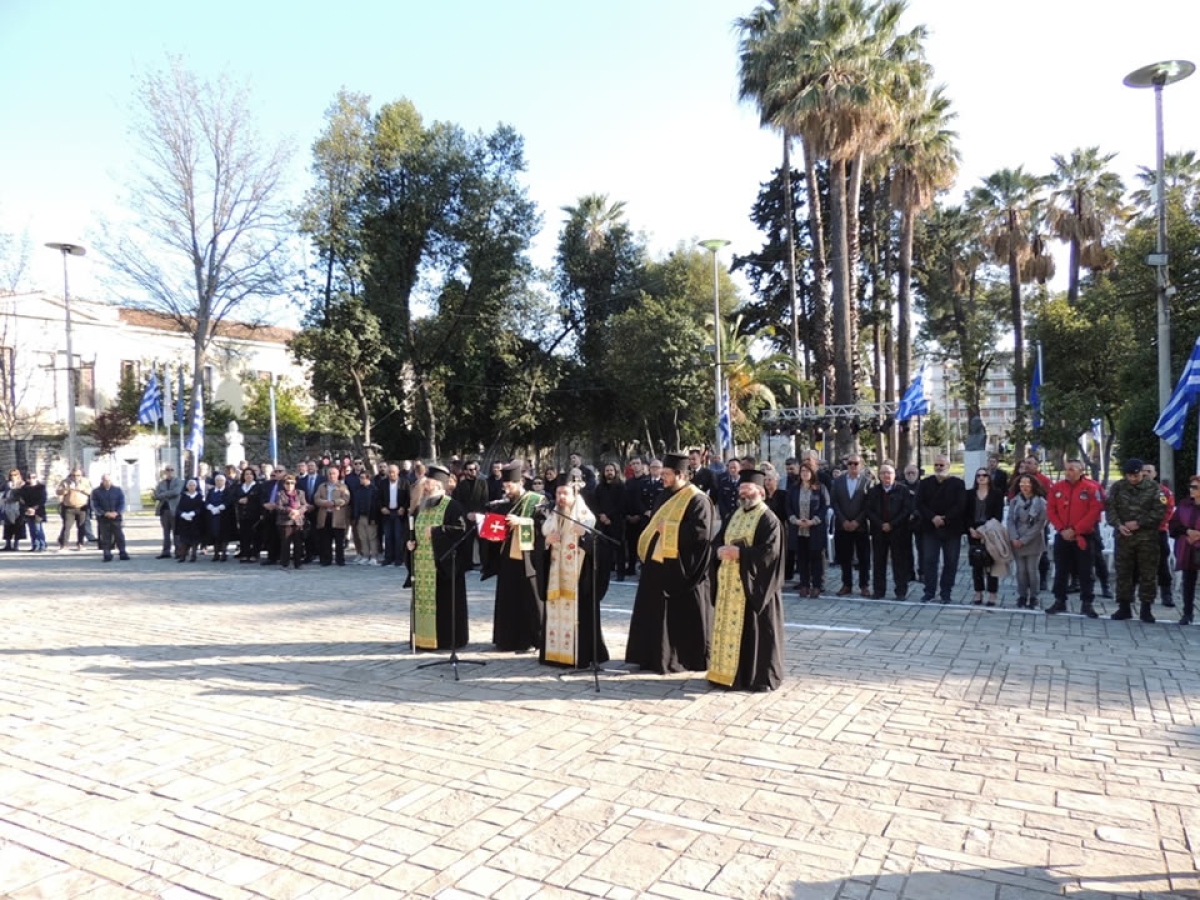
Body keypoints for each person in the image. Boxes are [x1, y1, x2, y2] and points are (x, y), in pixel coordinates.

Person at [625, 452, 714, 674]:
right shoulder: (663, 495)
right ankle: (650, 656)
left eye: (666, 474)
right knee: (653, 612)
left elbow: (701, 533)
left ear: (680, 474)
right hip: (657, 564)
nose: (662, 477)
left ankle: (678, 658)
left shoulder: (698, 499)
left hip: (681, 567)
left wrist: (670, 530)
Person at [707, 470, 785, 692]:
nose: (742, 493)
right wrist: (718, 550)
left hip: (753, 588)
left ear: (760, 492)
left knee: (754, 634)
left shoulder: (768, 518)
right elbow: (718, 540)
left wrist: (740, 554)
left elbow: (770, 552)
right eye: (740, 489)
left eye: (747, 489)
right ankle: (725, 675)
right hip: (729, 586)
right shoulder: (734, 515)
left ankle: (754, 678)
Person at [541, 477, 610, 668]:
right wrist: (547, 542)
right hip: (556, 577)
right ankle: (554, 654)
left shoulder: (586, 518)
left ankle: (580, 655)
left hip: (580, 578)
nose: (561, 497)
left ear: (575, 495)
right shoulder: (553, 516)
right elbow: (542, 543)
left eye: (565, 493)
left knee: (582, 615)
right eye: (558, 493)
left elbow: (600, 551)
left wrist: (585, 537)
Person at [482, 462, 546, 652]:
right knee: (508, 599)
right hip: (507, 558)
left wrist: (522, 522)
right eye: (504, 486)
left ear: (520, 483)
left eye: (509, 486)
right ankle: (507, 639)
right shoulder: (504, 504)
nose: (506, 490)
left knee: (529, 600)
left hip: (528, 558)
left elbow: (543, 527)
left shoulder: (536, 500)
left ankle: (532, 639)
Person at [407, 465, 470, 650]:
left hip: (442, 567)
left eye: (430, 482)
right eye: (426, 482)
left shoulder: (453, 506)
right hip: (421, 565)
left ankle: (445, 640)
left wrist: (436, 532)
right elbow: (412, 531)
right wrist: (410, 544)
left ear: (440, 485)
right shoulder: (421, 506)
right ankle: (421, 638)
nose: (425, 485)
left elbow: (461, 531)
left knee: (445, 604)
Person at [1107, 458, 1168, 622]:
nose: (1133, 478)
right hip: (1124, 537)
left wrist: (1139, 523)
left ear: (1142, 472)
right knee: (1123, 573)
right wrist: (1119, 525)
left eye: (1136, 475)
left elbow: (1160, 512)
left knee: (1148, 574)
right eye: (1130, 475)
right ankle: (1124, 607)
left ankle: (1146, 609)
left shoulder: (1154, 488)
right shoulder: (1118, 487)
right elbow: (1110, 508)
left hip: (1147, 539)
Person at [1045, 460, 1104, 617]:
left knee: (1085, 571)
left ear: (1081, 471)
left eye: (1071, 469)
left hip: (1084, 536)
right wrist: (1062, 529)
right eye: (1066, 469)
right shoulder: (1057, 488)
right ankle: (1059, 600)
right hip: (1063, 535)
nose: (1068, 472)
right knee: (1061, 570)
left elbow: (1094, 511)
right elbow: (1051, 510)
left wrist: (1076, 530)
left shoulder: (1091, 488)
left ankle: (1087, 603)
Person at [917, 455, 966, 604]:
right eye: (936, 465)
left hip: (952, 529)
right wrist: (933, 517)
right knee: (929, 560)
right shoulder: (925, 483)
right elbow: (919, 503)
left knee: (951, 561)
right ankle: (929, 591)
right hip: (931, 528)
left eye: (942, 465)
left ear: (948, 466)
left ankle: (946, 592)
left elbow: (961, 504)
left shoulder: (958, 483)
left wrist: (945, 518)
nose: (939, 468)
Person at [865, 464, 914, 600]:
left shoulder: (903, 490)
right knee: (878, 562)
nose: (886, 475)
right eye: (883, 473)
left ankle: (900, 592)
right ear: (879, 476)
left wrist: (892, 524)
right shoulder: (873, 491)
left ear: (895, 475)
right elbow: (869, 510)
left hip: (898, 531)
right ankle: (879, 591)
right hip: (879, 531)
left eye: (889, 473)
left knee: (899, 562)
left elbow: (907, 510)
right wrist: (881, 524)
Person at [830, 455, 871, 596]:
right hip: (842, 526)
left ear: (861, 465)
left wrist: (857, 521)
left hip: (860, 527)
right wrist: (843, 520)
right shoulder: (838, 481)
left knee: (863, 557)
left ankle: (864, 585)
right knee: (844, 557)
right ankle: (846, 584)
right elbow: (834, 502)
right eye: (850, 463)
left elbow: (868, 505)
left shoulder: (867, 482)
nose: (852, 466)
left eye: (856, 463)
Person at [788, 461, 829, 598]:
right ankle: (804, 585)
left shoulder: (820, 488)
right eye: (802, 471)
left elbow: (825, 507)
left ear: (812, 473)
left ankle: (817, 585)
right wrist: (795, 520)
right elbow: (788, 507)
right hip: (799, 529)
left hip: (815, 528)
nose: (804, 473)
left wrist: (813, 521)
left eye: (807, 471)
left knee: (816, 557)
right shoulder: (794, 489)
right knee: (802, 558)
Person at [1007, 473, 1048, 610]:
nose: (1024, 486)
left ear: (1033, 485)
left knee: (1032, 570)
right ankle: (1022, 596)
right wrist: (1014, 537)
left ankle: (1034, 597)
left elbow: (1040, 524)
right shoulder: (1014, 501)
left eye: (1027, 483)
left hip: (1033, 540)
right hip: (1017, 539)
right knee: (1021, 570)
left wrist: (1024, 540)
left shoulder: (1040, 502)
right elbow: (1010, 520)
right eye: (1022, 483)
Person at [966, 468, 1005, 607]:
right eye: (978, 476)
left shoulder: (997, 494)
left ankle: (992, 594)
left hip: (990, 531)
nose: (981, 478)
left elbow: (998, 516)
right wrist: (971, 529)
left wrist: (985, 532)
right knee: (976, 563)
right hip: (973, 531)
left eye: (984, 475)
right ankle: (978, 592)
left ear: (989, 478)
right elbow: (966, 514)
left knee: (991, 564)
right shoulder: (970, 494)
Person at [1140, 463, 1177, 608]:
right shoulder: (1132, 491)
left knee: (1162, 565)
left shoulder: (1164, 492)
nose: (1145, 474)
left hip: (1157, 533)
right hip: (1138, 534)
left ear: (1155, 474)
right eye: (1143, 471)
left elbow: (1168, 512)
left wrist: (1151, 525)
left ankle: (1166, 594)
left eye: (1149, 471)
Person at [1168, 475, 1200, 626]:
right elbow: (1174, 525)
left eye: (1195, 487)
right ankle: (1188, 613)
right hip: (1188, 547)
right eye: (1191, 487)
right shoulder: (1185, 504)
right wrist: (1188, 532)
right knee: (1188, 581)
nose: (1191, 490)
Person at [592, 462, 626, 581]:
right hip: (602, 522)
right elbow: (595, 503)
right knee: (604, 548)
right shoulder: (599, 487)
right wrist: (601, 515)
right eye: (607, 470)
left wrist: (609, 517)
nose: (609, 472)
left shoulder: (621, 486)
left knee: (618, 547)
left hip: (616, 521)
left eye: (611, 470)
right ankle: (606, 571)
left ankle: (620, 573)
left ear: (615, 472)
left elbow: (621, 504)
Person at [314, 465, 352, 566]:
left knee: (339, 540)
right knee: (326, 540)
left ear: (338, 475)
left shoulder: (343, 486)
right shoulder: (322, 486)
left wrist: (334, 502)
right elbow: (316, 499)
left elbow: (346, 499)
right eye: (330, 474)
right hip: (325, 515)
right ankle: (327, 560)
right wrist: (325, 503)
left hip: (338, 516)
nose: (332, 476)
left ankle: (340, 560)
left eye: (334, 474)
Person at [90, 473, 129, 562]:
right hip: (103, 518)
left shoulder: (117, 490)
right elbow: (94, 505)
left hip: (116, 517)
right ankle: (107, 554)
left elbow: (122, 503)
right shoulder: (96, 491)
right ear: (102, 481)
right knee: (105, 536)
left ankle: (122, 552)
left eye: (108, 480)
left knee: (119, 536)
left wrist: (117, 512)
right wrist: (104, 513)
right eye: (105, 480)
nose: (107, 482)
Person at [379, 464, 410, 569]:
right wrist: (382, 507)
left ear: (397, 473)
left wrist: (403, 508)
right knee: (387, 537)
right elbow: (378, 498)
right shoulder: (383, 483)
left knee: (398, 537)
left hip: (399, 513)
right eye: (390, 472)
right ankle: (388, 558)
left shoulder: (404, 482)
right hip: (387, 513)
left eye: (393, 472)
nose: (391, 474)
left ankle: (398, 558)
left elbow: (408, 497)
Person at [275, 473, 308, 570]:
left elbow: (304, 505)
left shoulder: (300, 493)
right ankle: (284, 563)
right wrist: (290, 510)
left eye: (292, 483)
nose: (289, 485)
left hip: (298, 521)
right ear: (284, 484)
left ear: (295, 483)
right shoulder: (280, 493)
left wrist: (298, 511)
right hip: (285, 522)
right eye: (287, 483)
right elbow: (279, 506)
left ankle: (298, 563)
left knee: (298, 543)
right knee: (285, 543)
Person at [350, 469, 381, 565]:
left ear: (368, 478)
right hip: (360, 517)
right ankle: (366, 556)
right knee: (362, 537)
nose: (360, 479)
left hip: (370, 517)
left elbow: (376, 506)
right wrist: (354, 517)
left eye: (362, 477)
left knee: (372, 537)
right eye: (360, 477)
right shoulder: (358, 490)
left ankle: (374, 556)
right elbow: (355, 504)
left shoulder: (374, 490)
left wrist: (373, 518)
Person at [56, 467, 91, 551]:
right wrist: (66, 490)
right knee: (67, 527)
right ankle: (64, 545)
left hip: (82, 507)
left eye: (78, 475)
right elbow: (58, 492)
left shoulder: (85, 481)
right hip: (69, 508)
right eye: (73, 475)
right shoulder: (65, 481)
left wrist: (82, 489)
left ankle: (80, 544)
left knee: (81, 527)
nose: (75, 477)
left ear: (81, 475)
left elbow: (90, 492)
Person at [151, 465, 183, 559]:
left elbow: (176, 492)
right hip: (164, 510)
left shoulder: (179, 481)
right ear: (165, 472)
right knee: (166, 532)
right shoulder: (161, 483)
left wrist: (163, 494)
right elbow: (156, 495)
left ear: (174, 471)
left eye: (171, 469)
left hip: (174, 510)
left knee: (176, 532)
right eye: (167, 470)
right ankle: (166, 552)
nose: (169, 471)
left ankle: (179, 551)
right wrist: (163, 495)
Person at [233, 467, 262, 562]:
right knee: (244, 535)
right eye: (246, 474)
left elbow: (260, 500)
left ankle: (254, 554)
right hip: (242, 515)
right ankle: (245, 553)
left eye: (250, 474)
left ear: (254, 476)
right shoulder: (239, 486)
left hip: (254, 514)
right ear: (243, 476)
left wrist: (249, 500)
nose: (248, 476)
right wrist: (239, 500)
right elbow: (233, 498)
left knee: (255, 535)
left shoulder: (258, 486)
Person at [204, 474, 234, 562]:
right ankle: (216, 553)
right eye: (217, 480)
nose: (219, 482)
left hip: (224, 516)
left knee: (224, 535)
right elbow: (207, 501)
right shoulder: (211, 491)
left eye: (221, 480)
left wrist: (220, 507)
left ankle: (224, 553)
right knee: (215, 534)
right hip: (213, 516)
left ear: (224, 482)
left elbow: (229, 501)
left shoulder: (228, 491)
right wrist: (210, 507)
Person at [175, 479, 205, 562]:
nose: (192, 487)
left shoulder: (199, 496)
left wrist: (193, 513)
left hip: (195, 521)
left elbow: (201, 508)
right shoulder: (183, 496)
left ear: (196, 486)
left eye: (193, 485)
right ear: (187, 486)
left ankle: (193, 556)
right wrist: (183, 514)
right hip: (184, 521)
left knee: (194, 540)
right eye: (190, 485)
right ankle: (182, 556)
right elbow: (178, 508)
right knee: (184, 539)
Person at [19, 471, 47, 552]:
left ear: (36, 478)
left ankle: (42, 545)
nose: (31, 479)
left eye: (34, 477)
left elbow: (43, 499)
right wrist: (27, 508)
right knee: (32, 529)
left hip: (38, 511)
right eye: (30, 478)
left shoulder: (41, 487)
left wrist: (34, 509)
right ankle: (35, 545)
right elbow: (21, 500)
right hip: (28, 510)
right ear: (27, 479)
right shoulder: (24, 488)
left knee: (38, 529)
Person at [2, 469, 25, 551]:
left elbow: (22, 496)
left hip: (18, 508)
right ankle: (8, 544)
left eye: (15, 475)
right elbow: (4, 493)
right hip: (8, 508)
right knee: (7, 526)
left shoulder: (22, 484)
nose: (13, 477)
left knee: (17, 526)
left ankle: (16, 545)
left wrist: (12, 499)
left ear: (18, 475)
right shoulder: (7, 484)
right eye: (11, 475)